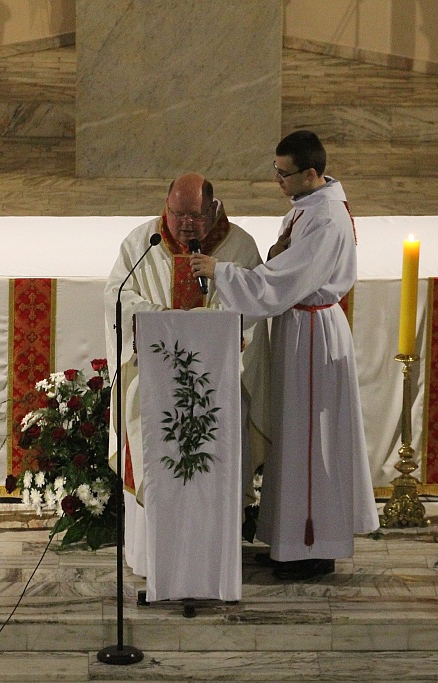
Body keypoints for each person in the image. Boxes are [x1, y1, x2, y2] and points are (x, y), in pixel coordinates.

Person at [191, 131, 379, 581]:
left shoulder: (326, 218)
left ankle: (313, 547)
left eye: (284, 173)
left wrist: (222, 272)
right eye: (275, 170)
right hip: (299, 328)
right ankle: (290, 540)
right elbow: (282, 265)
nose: (277, 180)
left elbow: (283, 280)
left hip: (313, 335)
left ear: (311, 173)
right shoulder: (309, 204)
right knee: (294, 437)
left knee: (311, 440)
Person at [104, 172, 270, 576]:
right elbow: (117, 297)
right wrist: (164, 320)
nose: (185, 224)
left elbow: (255, 307)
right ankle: (152, 559)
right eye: (177, 214)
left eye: (194, 216)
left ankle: (213, 563)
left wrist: (203, 327)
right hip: (153, 382)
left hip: (221, 386)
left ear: (212, 209)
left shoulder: (240, 247)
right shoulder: (142, 244)